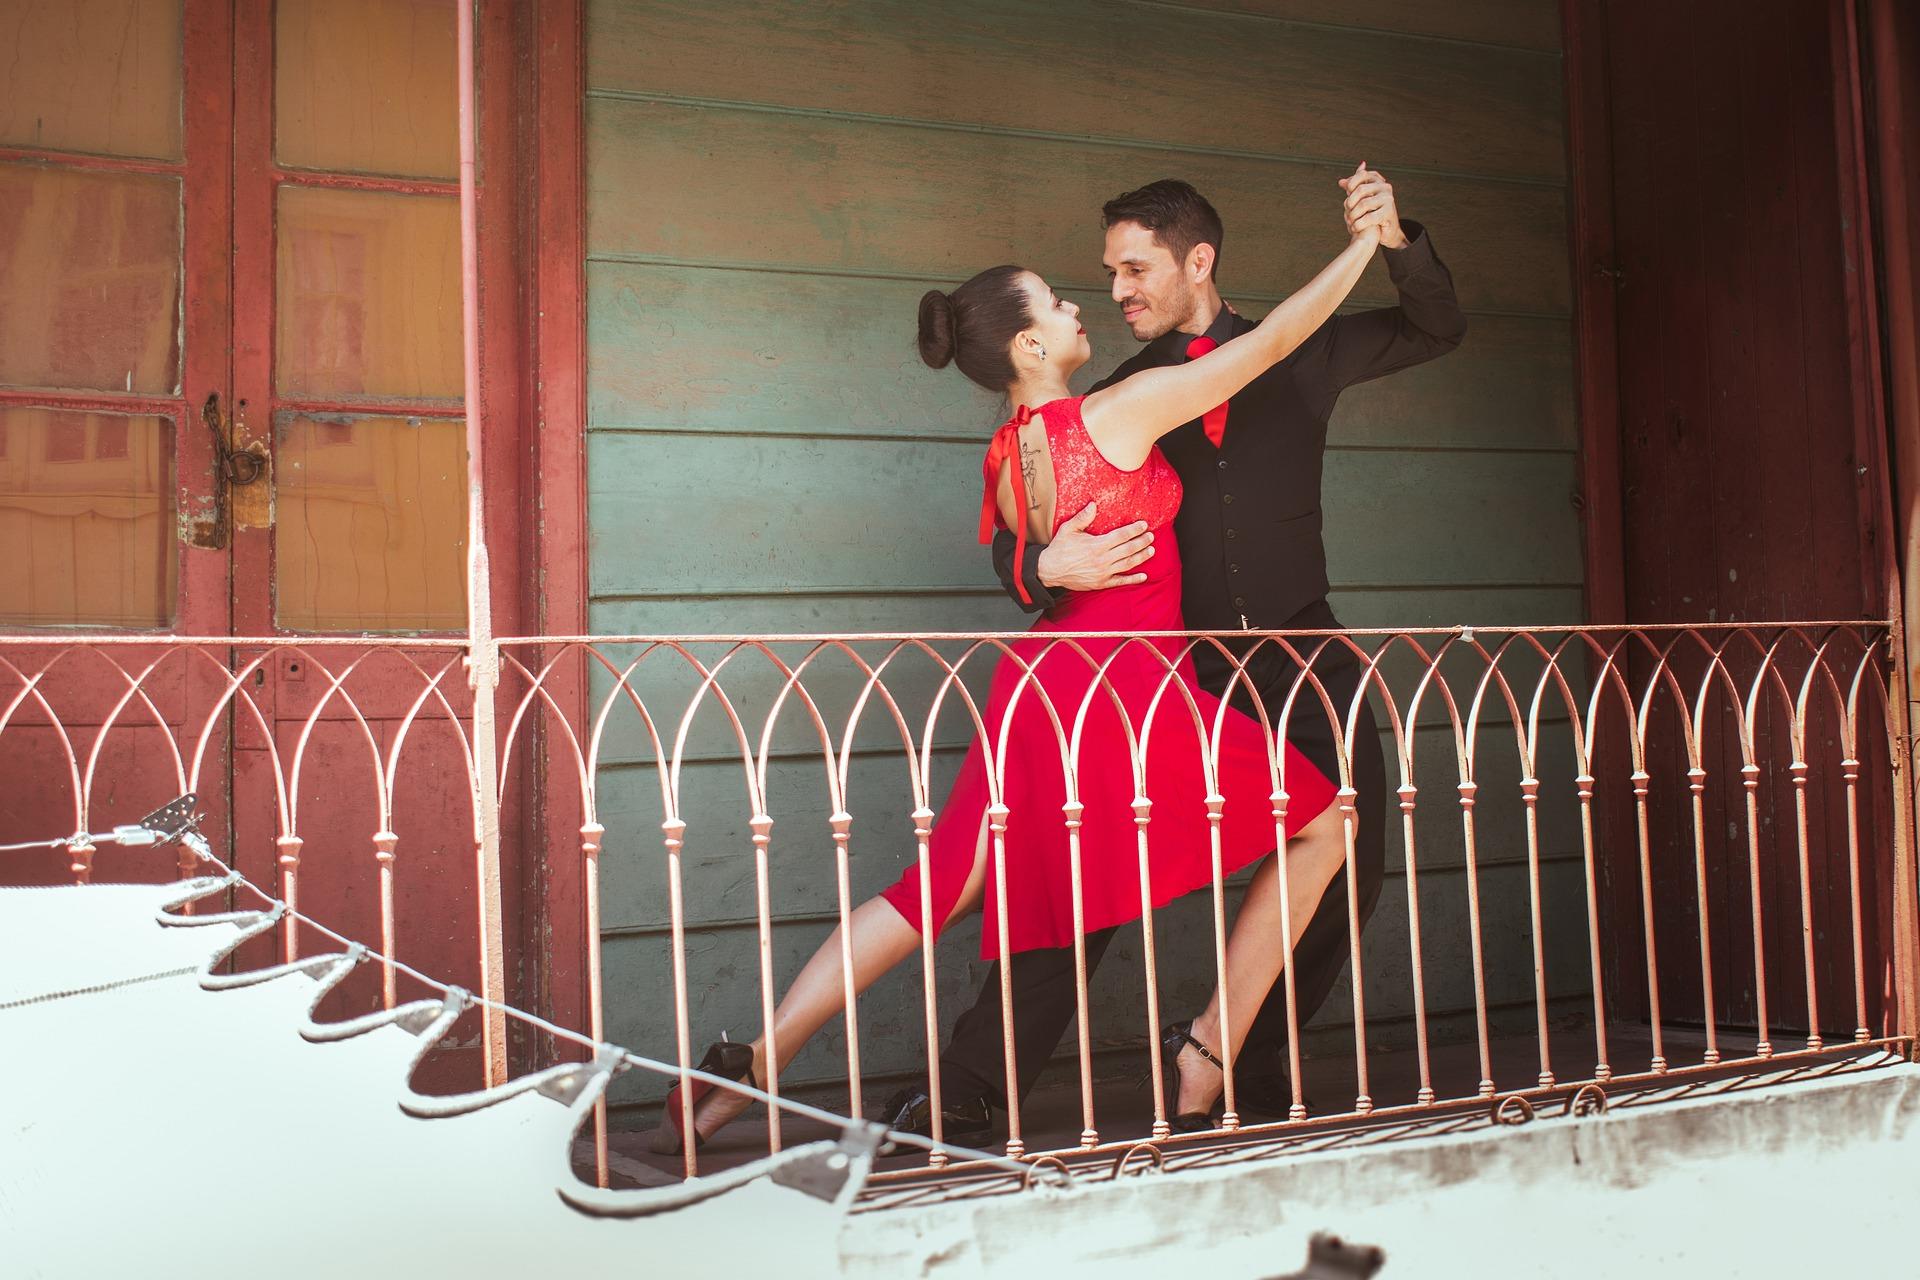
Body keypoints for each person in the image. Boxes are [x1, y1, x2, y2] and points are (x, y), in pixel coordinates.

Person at [653, 208, 1384, 1154]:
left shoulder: (1007, 454)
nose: (1087, 306)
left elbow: (1022, 554)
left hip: (1040, 688)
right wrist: (1363, 247)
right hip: (1124, 694)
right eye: (1061, 300)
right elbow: (1279, 339)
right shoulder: (1119, 411)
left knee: (931, 891)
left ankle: (745, 1066)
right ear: (1032, 341)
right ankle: (1211, 1049)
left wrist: (1046, 568)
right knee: (1328, 822)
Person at [883, 170, 1468, 1144]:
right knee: (1080, 868)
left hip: (1300, 648)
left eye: (1135, 266)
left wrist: (1395, 236)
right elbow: (1019, 518)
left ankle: (1239, 1050)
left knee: (1347, 849)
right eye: (1109, 271)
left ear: (1198, 260)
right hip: (1170, 671)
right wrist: (1039, 563)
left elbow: (1438, 324)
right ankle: (971, 1088)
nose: (1117, 288)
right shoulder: (1118, 396)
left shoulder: (1306, 346)